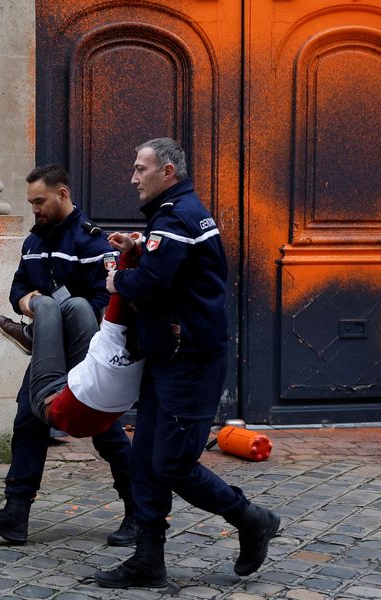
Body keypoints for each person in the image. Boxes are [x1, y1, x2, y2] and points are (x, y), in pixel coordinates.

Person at [94, 138, 280, 589]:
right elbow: (176, 268)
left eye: (141, 169)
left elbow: (155, 282)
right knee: (145, 458)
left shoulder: (176, 216)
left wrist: (118, 278)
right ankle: (147, 561)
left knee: (173, 463)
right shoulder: (177, 214)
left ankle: (251, 518)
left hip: (190, 360)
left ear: (168, 172)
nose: (134, 178)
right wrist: (139, 244)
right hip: (169, 354)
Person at [0, 165, 137, 547]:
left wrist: (54, 316)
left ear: (62, 193)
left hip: (86, 347)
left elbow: (103, 302)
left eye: (39, 201)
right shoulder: (33, 243)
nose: (34, 209)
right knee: (28, 420)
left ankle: (139, 511)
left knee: (104, 431)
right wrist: (29, 302)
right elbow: (18, 288)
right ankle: (15, 514)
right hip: (49, 348)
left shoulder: (93, 243)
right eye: (30, 203)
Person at [27, 245, 145, 438]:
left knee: (46, 305)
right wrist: (135, 252)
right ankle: (39, 334)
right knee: (78, 305)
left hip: (56, 406)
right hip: (93, 404)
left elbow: (119, 286)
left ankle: (30, 331)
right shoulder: (155, 342)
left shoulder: (113, 335)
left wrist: (130, 253)